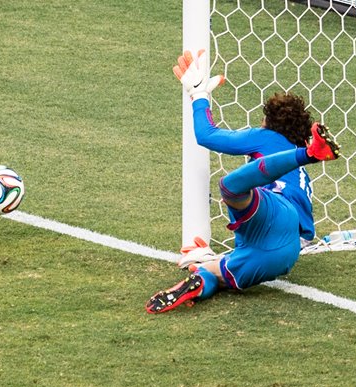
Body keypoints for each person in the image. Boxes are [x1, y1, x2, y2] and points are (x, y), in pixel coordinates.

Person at [146, 50, 340, 314]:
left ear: (268, 122)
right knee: (210, 273)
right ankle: (196, 282)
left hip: (273, 216)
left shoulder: (266, 137)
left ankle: (308, 155)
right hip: (284, 253)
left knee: (231, 186)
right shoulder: (300, 178)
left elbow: (206, 135)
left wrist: (198, 96)